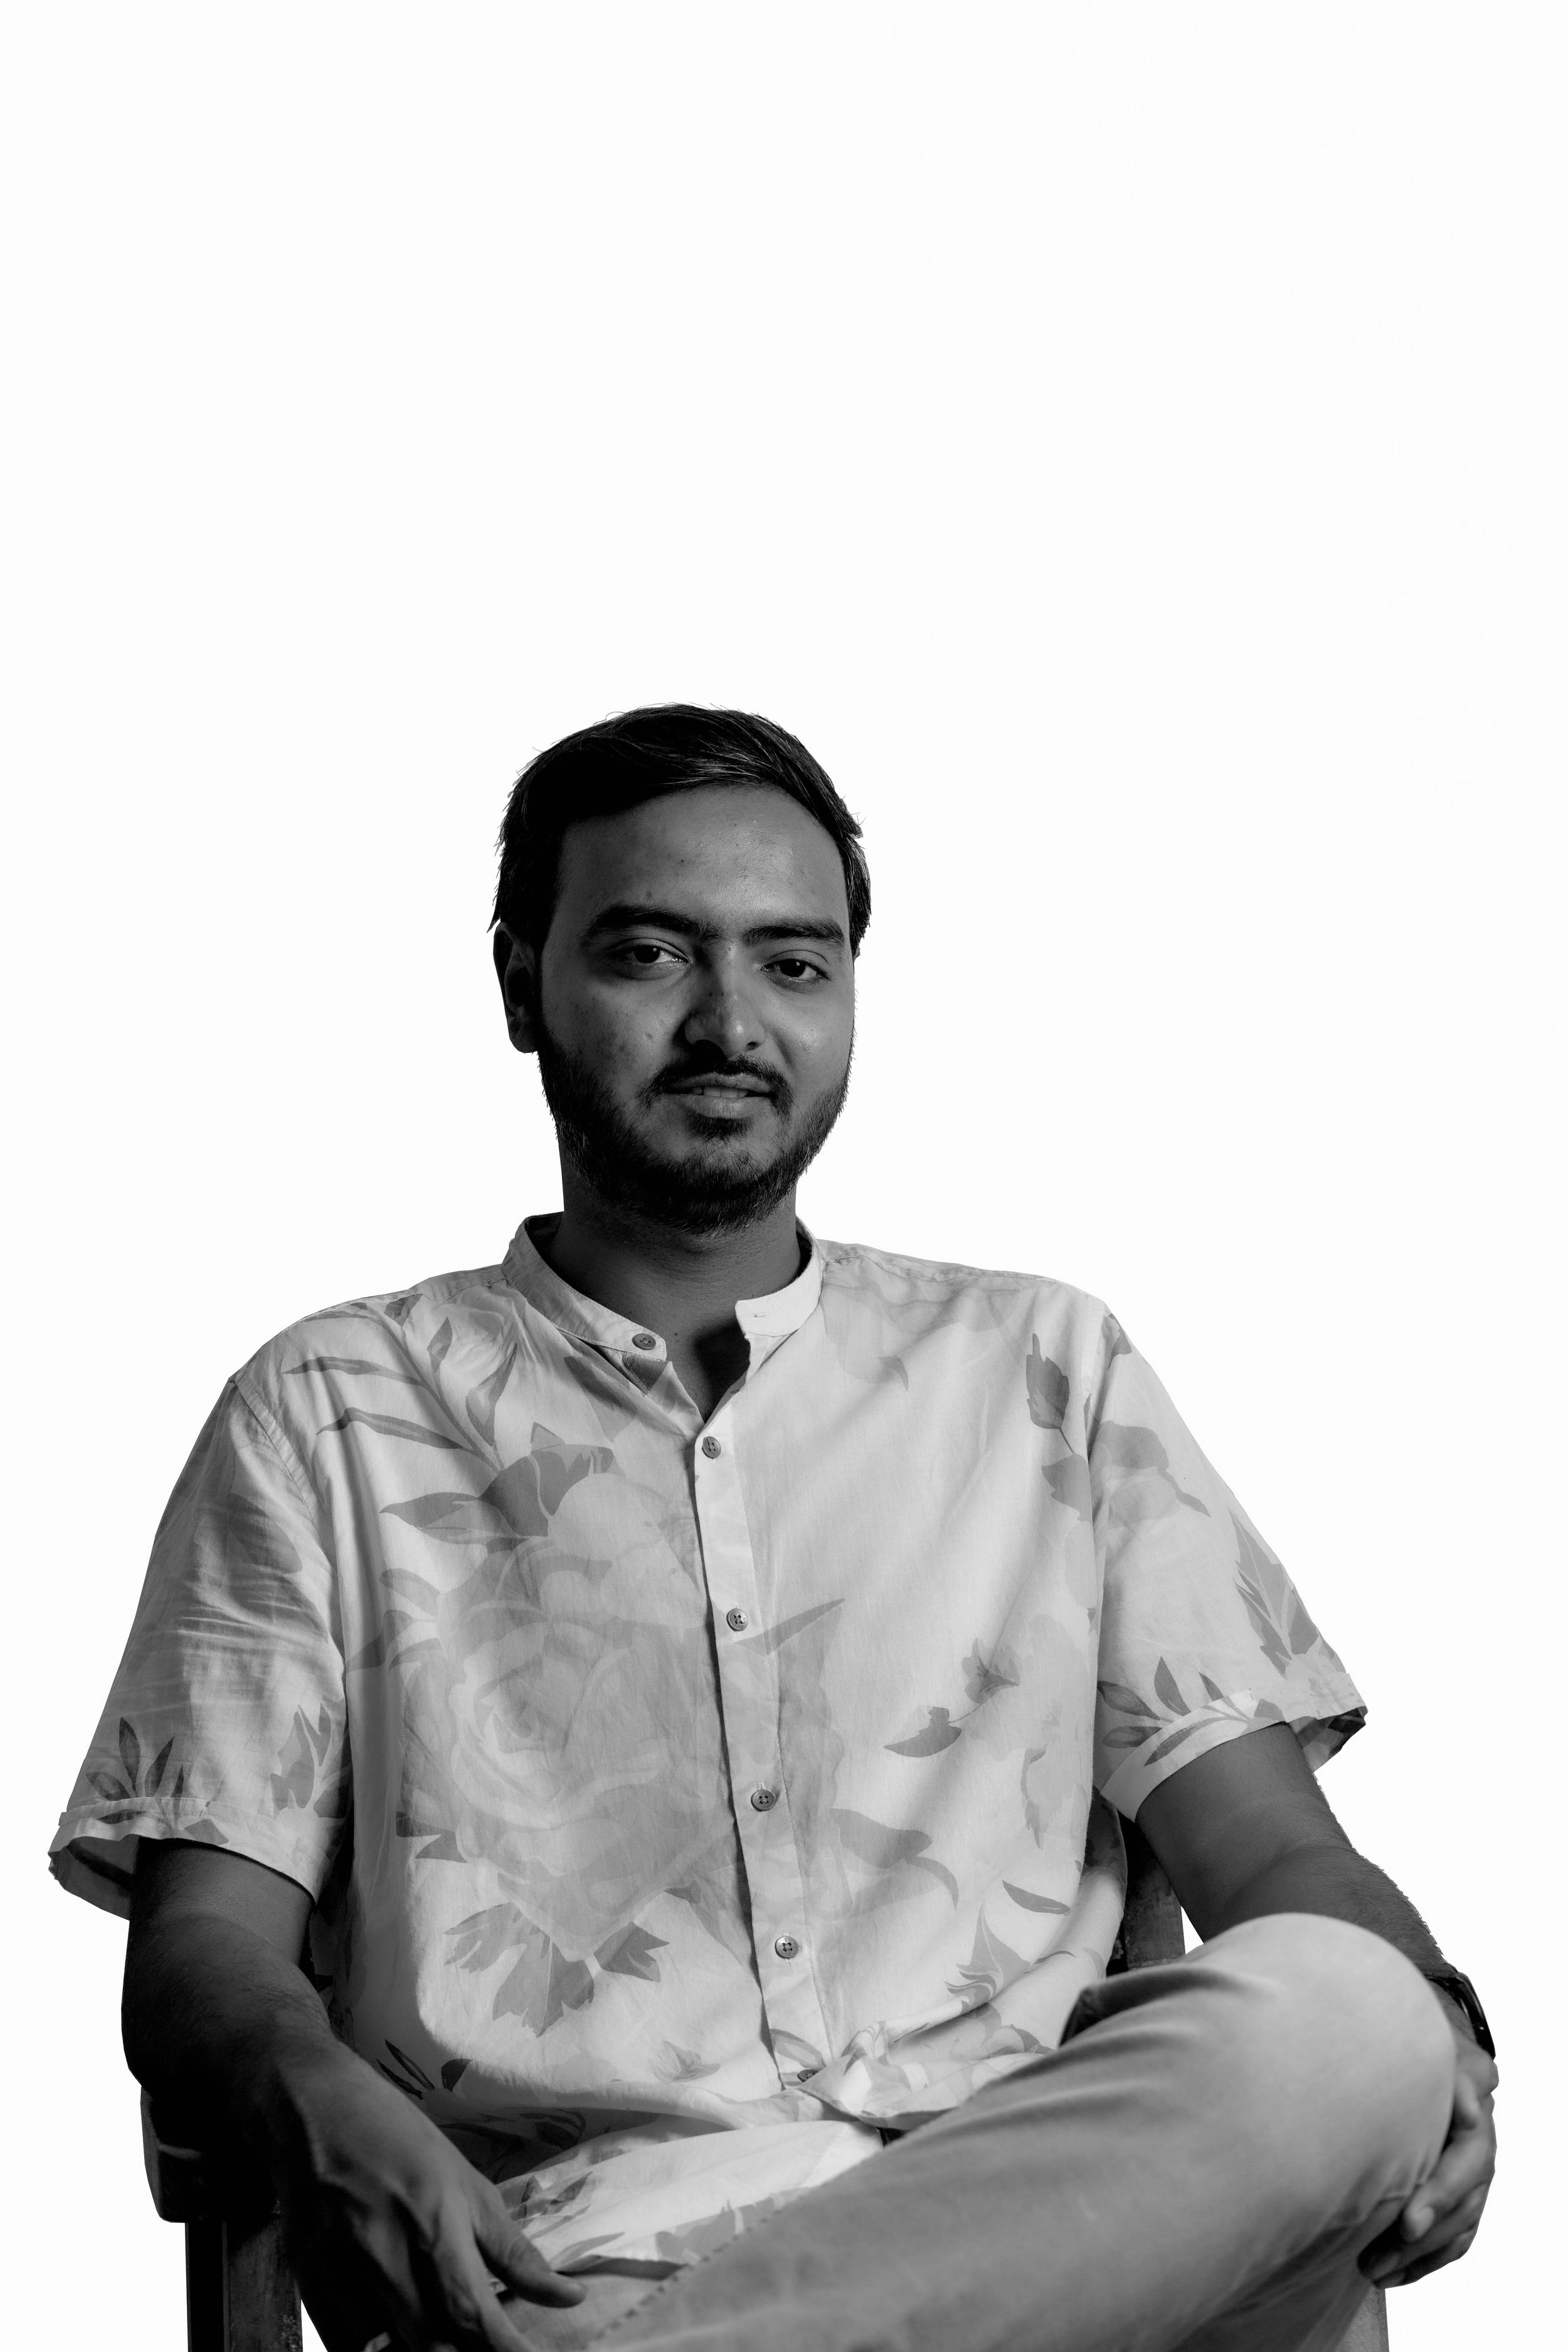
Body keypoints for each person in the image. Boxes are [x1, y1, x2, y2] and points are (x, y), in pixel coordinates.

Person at [51, 706, 1496, 2352]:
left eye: (794, 965)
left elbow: (1277, 1860)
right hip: (581, 2268)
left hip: (1076, 2243)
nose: (729, 1022)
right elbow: (203, 1959)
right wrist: (311, 2093)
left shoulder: (1042, 1369)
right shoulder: (326, 1408)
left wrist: (1428, 2037)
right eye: (654, 954)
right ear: (524, 981)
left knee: (1352, 2010)